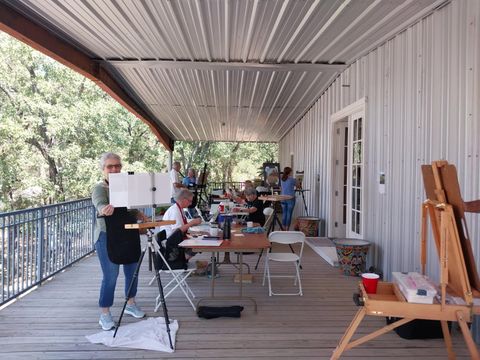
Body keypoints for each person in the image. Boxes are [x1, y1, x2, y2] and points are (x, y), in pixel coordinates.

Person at [92, 152, 148, 331]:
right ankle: (105, 314)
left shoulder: (126, 187)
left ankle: (130, 303)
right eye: (110, 166)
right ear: (103, 170)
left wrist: (138, 214)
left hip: (128, 234)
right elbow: (100, 204)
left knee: (132, 272)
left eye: (117, 166)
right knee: (111, 276)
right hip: (107, 237)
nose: (114, 169)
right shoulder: (100, 188)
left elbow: (127, 210)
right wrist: (103, 209)